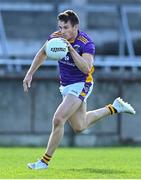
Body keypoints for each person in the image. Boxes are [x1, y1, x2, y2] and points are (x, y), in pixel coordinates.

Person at [23, 10, 136, 170]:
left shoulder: (86, 43)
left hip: (82, 83)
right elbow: (42, 53)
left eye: (66, 27)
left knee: (58, 119)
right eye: (60, 27)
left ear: (75, 27)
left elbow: (86, 68)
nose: (62, 31)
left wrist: (70, 49)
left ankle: (44, 162)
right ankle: (115, 107)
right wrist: (29, 74)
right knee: (79, 126)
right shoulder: (56, 37)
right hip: (66, 85)